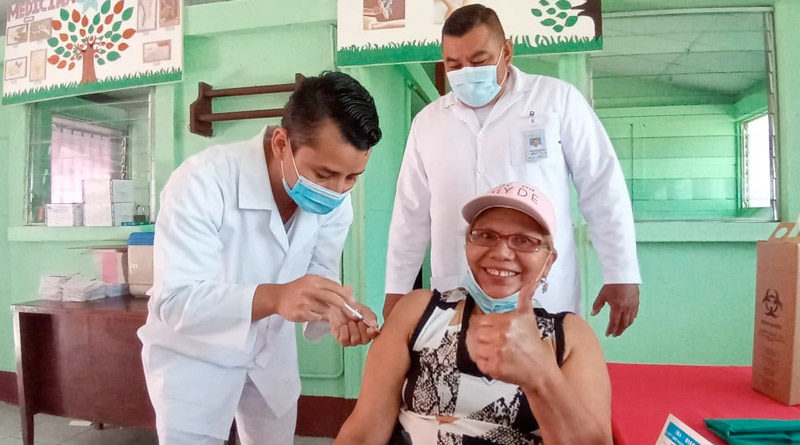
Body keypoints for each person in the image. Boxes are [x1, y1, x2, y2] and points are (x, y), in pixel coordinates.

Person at [138, 71, 382, 445]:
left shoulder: (336, 200)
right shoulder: (203, 182)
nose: (336, 191)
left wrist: (336, 308)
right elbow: (176, 301)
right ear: (282, 143)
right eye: (324, 173)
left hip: (270, 355)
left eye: (352, 177)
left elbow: (319, 271)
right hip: (195, 355)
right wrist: (276, 297)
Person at [384, 4, 641, 337]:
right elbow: (410, 214)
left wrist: (621, 272)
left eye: (478, 61)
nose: (466, 72)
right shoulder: (428, 123)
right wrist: (396, 290)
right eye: (454, 64)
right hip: (457, 288)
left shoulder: (557, 100)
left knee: (544, 378)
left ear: (506, 51)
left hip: (542, 291)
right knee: (462, 379)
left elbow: (602, 187)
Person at [337, 182, 612, 445]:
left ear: (548, 261)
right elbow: (364, 432)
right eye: (486, 235)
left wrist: (541, 376)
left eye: (525, 241)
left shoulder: (569, 336)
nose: (502, 252)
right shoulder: (418, 311)